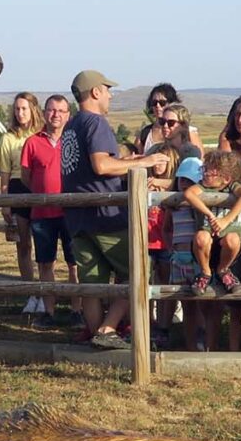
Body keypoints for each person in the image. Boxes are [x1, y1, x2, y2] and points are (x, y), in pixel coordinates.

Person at [61, 69, 170, 348]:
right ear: (95, 92)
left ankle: (98, 336)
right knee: (139, 270)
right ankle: (108, 331)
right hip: (106, 216)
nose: (110, 95)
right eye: (107, 90)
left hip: (77, 215)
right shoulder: (96, 123)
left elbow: (93, 167)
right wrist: (144, 163)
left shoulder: (72, 126)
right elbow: (102, 166)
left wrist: (132, 159)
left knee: (93, 284)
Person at [18, 94, 71, 321]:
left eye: (61, 110)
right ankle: (49, 310)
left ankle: (77, 309)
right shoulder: (32, 142)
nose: (56, 114)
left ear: (68, 115)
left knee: (74, 262)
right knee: (45, 262)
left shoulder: (73, 141)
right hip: (42, 212)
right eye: (51, 110)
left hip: (71, 211)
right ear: (44, 112)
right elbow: (26, 177)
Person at [179, 149, 241, 298]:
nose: (205, 173)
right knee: (201, 236)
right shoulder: (202, 186)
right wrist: (209, 214)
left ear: (225, 177)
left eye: (211, 171)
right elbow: (189, 194)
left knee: (232, 239)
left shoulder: (232, 187)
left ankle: (223, 270)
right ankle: (205, 272)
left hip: (230, 247)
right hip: (206, 246)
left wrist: (226, 219)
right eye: (204, 169)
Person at [1, 92, 44, 307]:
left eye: (24, 108)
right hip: (18, 188)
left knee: (45, 244)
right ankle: (31, 293)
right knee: (24, 244)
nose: (20, 113)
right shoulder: (8, 138)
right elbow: (5, 174)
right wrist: (5, 201)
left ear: (33, 109)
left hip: (40, 187)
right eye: (17, 109)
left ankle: (46, 293)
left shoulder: (43, 134)